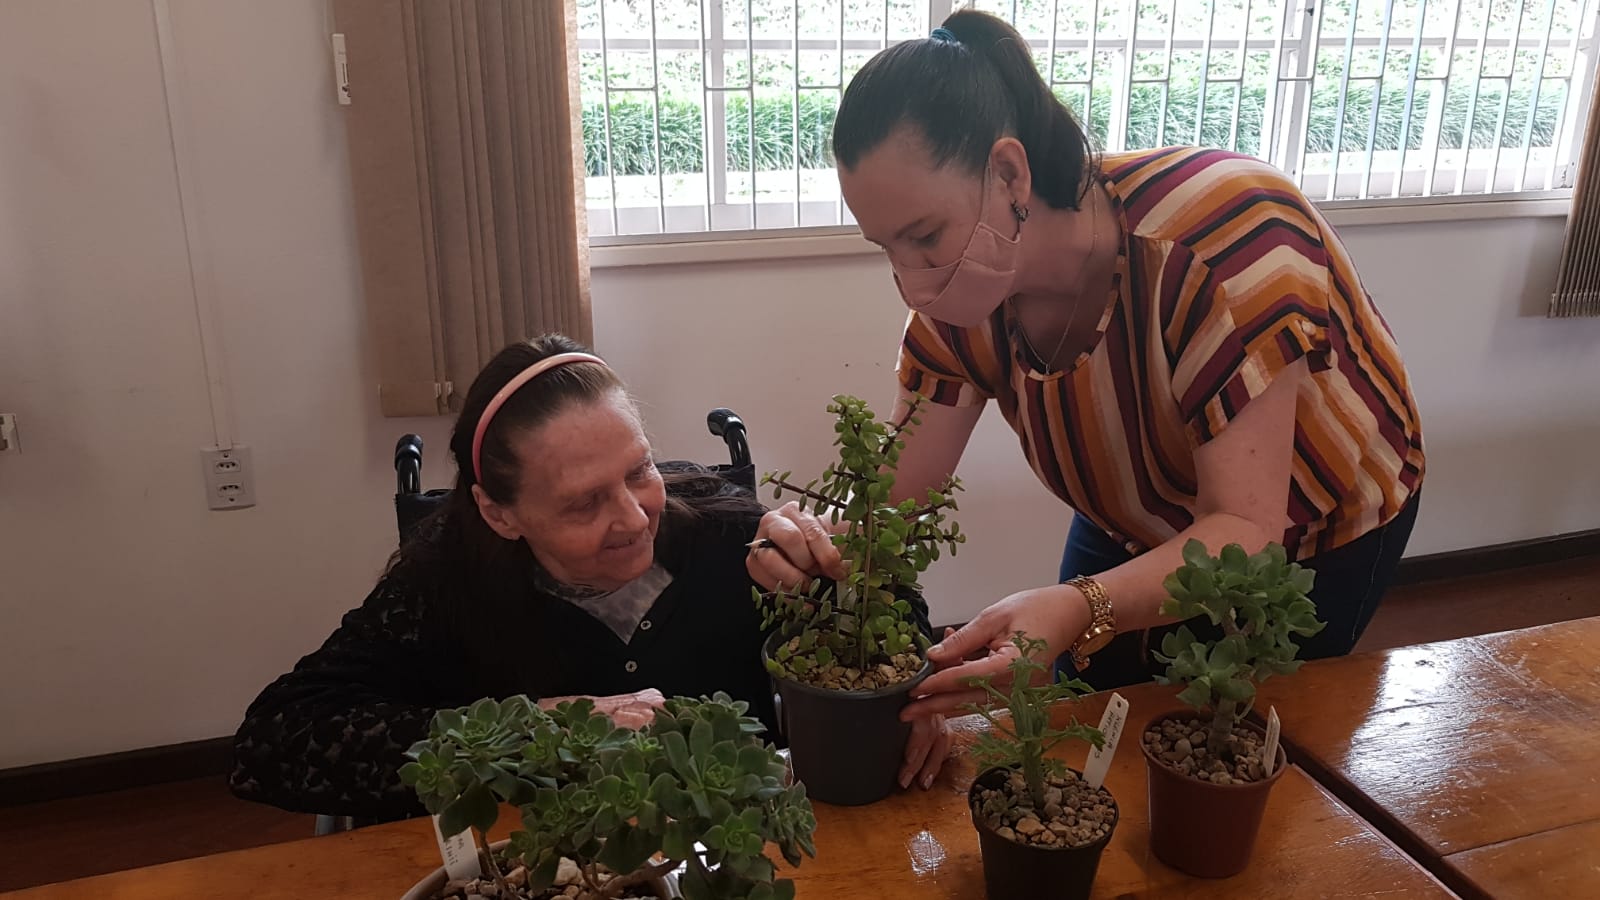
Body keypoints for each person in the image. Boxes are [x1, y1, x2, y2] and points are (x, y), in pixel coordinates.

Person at [747, 9, 1425, 722]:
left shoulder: (1219, 245)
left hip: (1306, 532)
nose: (910, 281)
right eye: (885, 247)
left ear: (1009, 173)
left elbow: (1245, 529)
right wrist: (816, 542)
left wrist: (1084, 604)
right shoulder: (963, 298)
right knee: (1087, 712)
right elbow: (898, 494)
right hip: (1135, 509)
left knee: (1224, 732)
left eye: (924, 236)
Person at [229, 335, 941, 822]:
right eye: (581, 503)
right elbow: (274, 739)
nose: (633, 518)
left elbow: (897, 618)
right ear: (499, 513)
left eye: (639, 470)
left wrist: (873, 643)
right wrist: (527, 732)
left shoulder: (729, 537)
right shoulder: (442, 585)